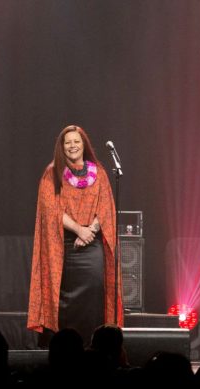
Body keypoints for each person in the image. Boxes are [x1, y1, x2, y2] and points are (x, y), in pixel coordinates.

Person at [27, 125, 122, 347]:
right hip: (64, 245)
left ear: (84, 144)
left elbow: (106, 208)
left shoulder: (99, 172)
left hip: (92, 243)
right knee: (62, 298)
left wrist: (90, 230)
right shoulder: (52, 173)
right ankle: (64, 346)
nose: (72, 146)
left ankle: (92, 344)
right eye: (68, 142)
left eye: (76, 141)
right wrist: (79, 230)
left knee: (96, 290)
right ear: (61, 147)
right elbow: (51, 210)